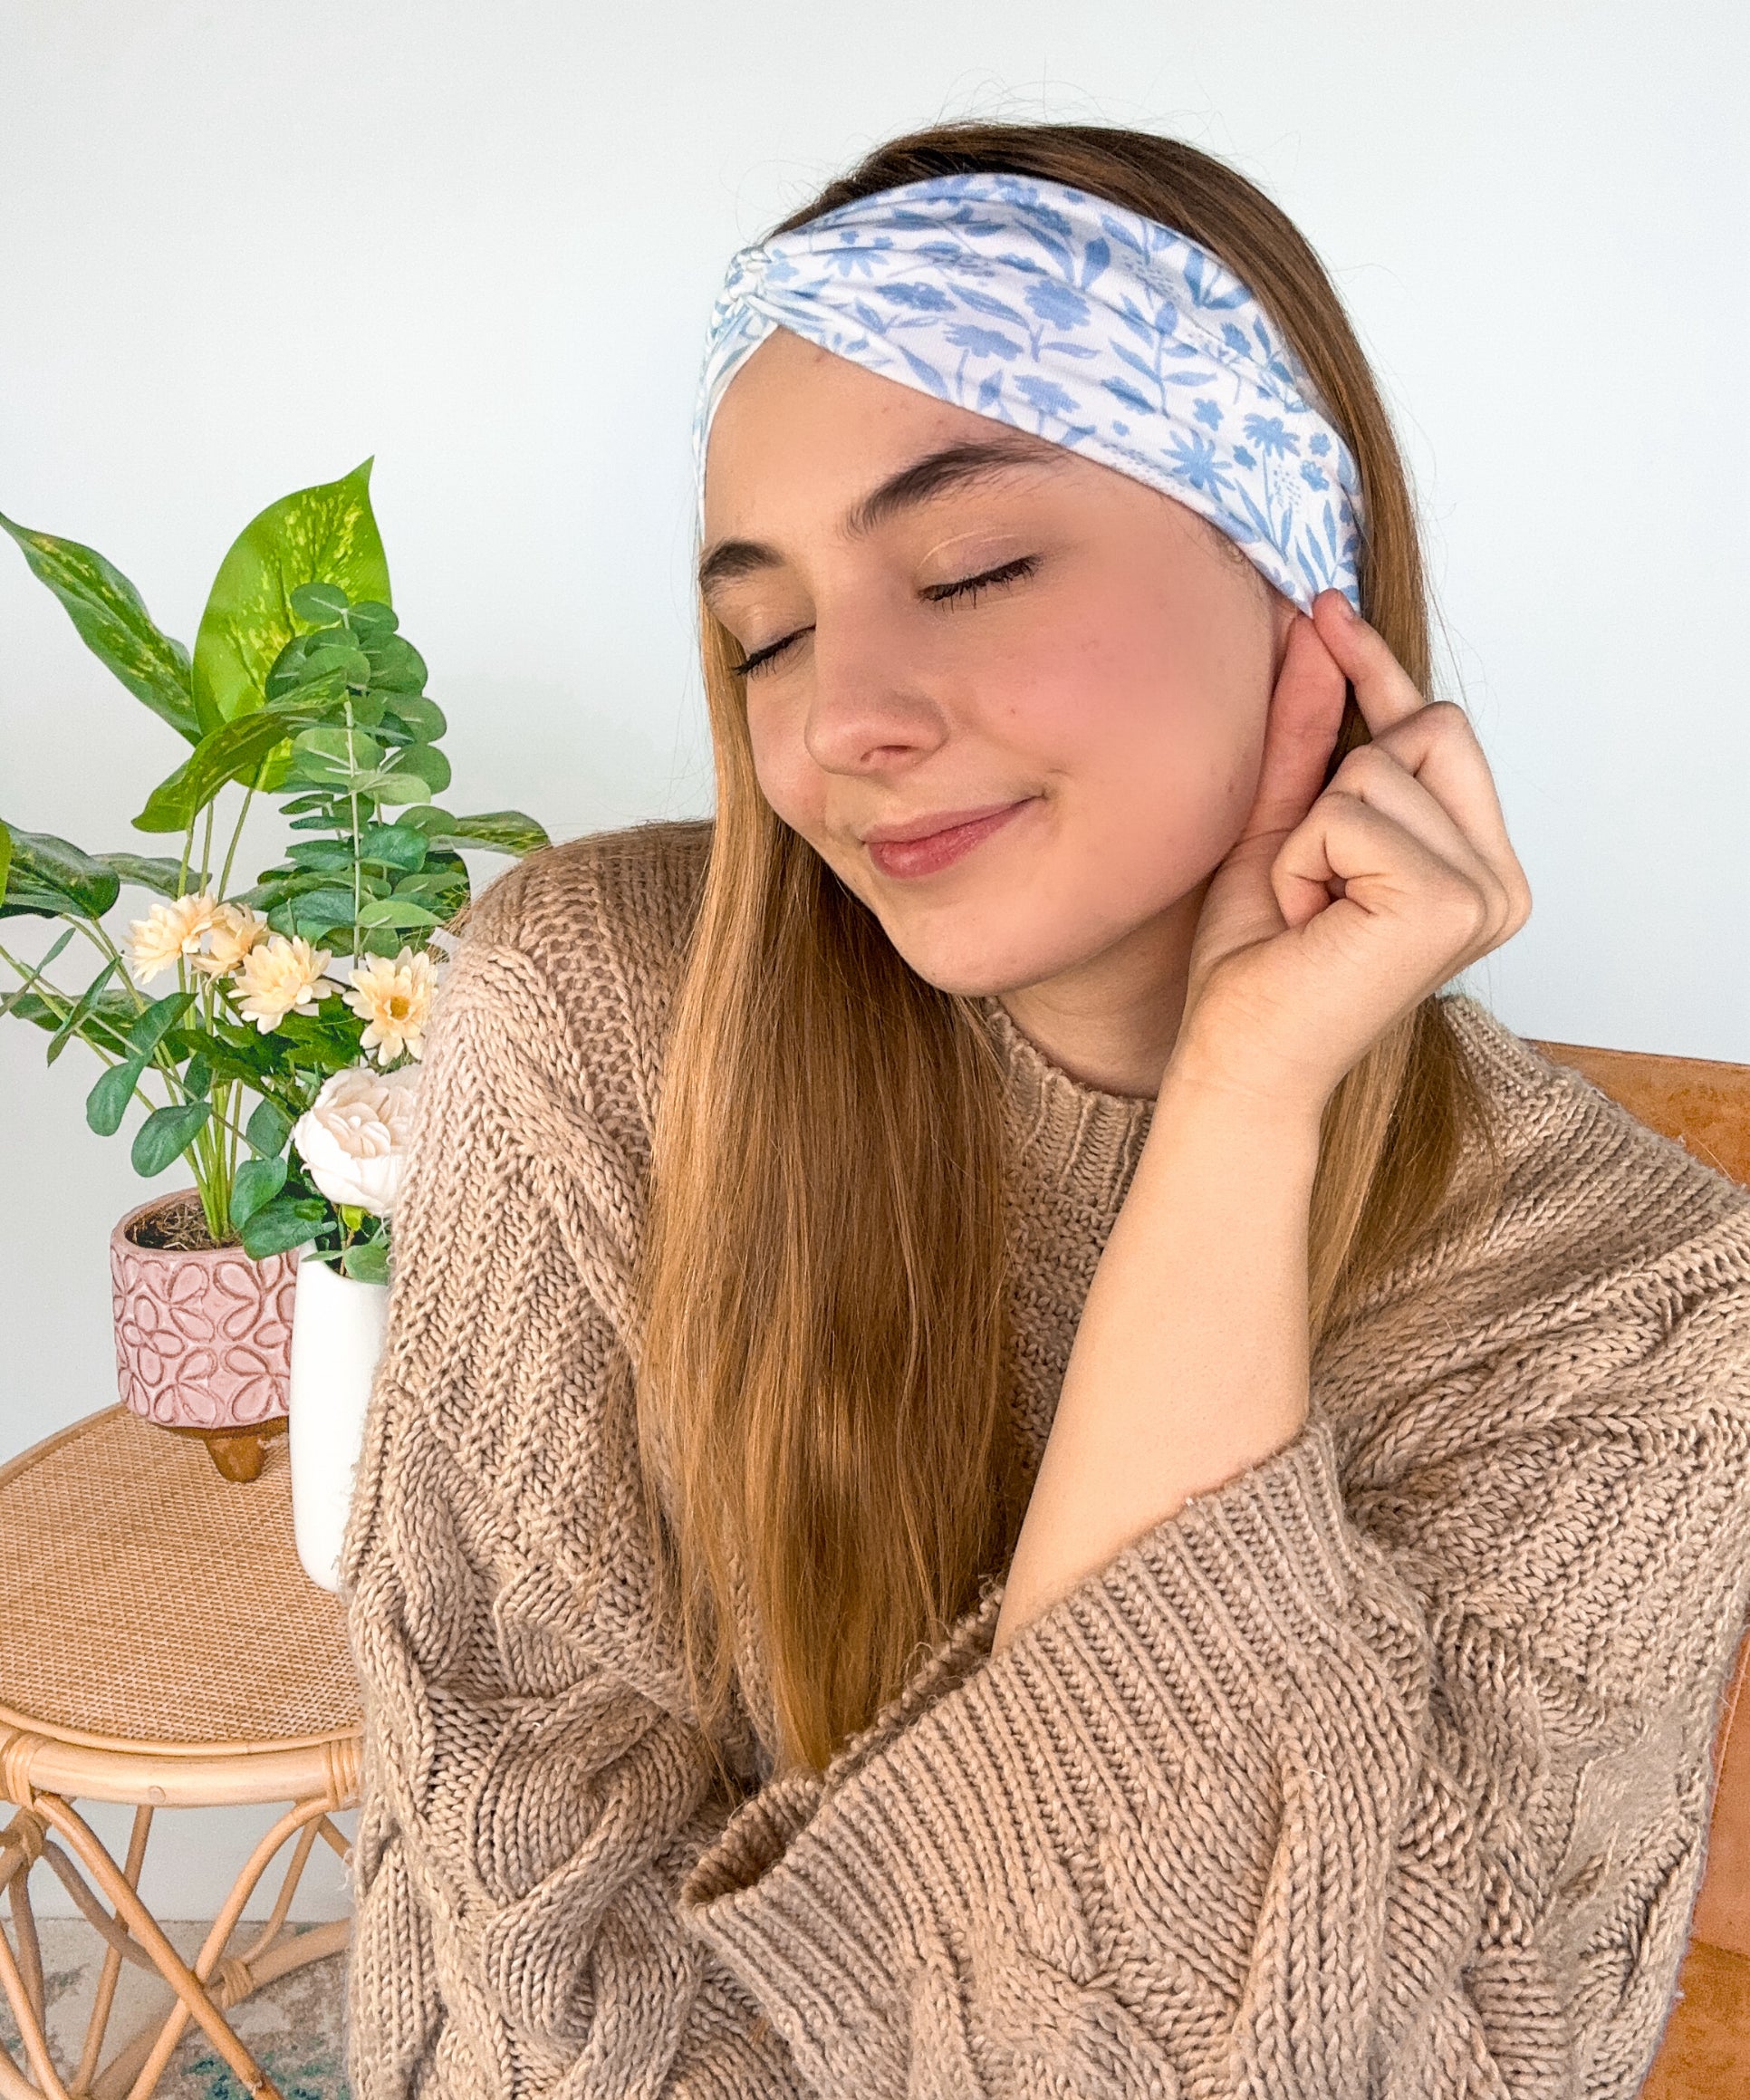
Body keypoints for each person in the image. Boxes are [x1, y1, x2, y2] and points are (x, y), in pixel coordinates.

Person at [341, 120, 1750, 2099]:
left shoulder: (1638, 1315)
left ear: (1299, 578)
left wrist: (1240, 1116)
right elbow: (512, 1988)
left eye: (976, 565)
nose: (840, 720)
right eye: (770, 630)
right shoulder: (600, 1023)